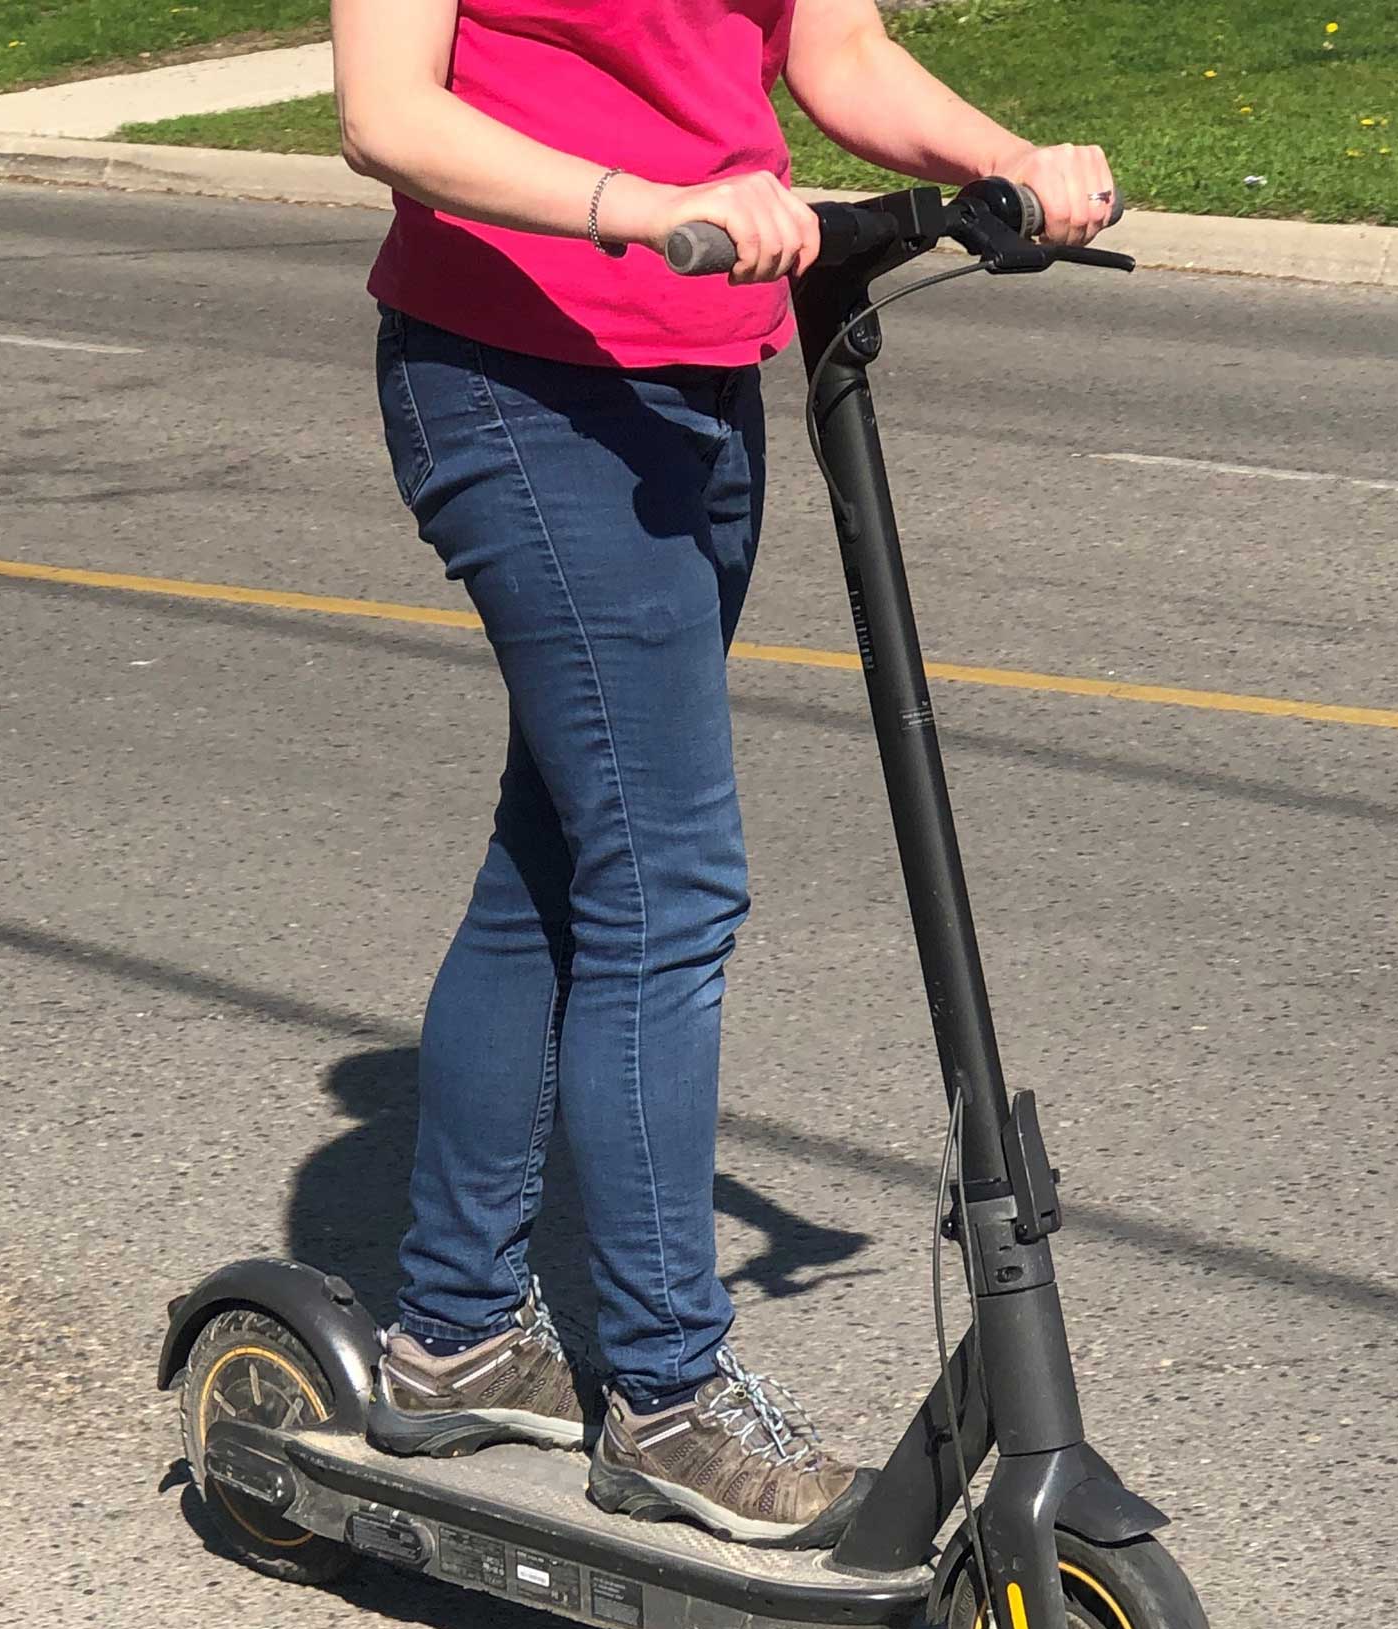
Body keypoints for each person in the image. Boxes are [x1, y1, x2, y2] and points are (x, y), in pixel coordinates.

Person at [331, 0, 1114, 1548]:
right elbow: (391, 117)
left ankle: (455, 1331)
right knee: (667, 876)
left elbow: (837, 57)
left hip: (702, 367)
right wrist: (649, 206)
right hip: (514, 373)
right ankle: (668, 1402)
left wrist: (1010, 162)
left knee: (562, 848)